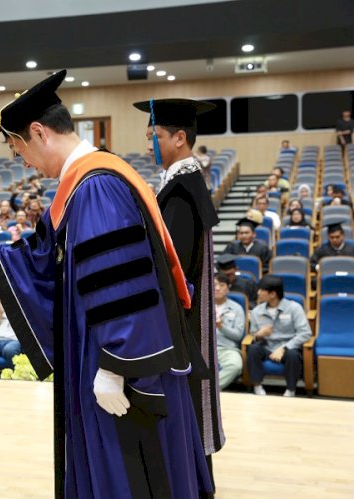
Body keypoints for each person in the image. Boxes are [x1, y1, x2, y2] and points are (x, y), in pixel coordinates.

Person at [0, 70, 212, 498]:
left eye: (17, 150)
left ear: (38, 132)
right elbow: (43, 255)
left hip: (118, 362)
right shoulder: (83, 184)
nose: (23, 162)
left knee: (131, 475)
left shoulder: (97, 186)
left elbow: (122, 281)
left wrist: (116, 366)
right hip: (101, 353)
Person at [133, 97, 225, 474]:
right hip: (183, 313)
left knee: (186, 400)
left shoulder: (182, 190)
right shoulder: (183, 183)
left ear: (179, 138)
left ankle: (193, 482)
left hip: (181, 318)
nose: (149, 144)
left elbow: (173, 267)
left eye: (154, 135)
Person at [247, 275, 311, 397]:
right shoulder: (257, 311)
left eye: (261, 290)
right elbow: (253, 334)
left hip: (288, 346)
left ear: (272, 294)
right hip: (267, 346)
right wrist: (259, 335)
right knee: (253, 349)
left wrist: (284, 348)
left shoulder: (294, 308)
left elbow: (305, 333)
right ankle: (257, 386)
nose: (258, 293)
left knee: (293, 355)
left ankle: (290, 390)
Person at [214, 274, 245, 390]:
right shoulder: (202, 306)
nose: (217, 288)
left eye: (221, 285)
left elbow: (238, 335)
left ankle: (212, 390)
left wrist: (221, 327)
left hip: (227, 348)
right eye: (214, 285)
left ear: (228, 288)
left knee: (235, 365)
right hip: (203, 347)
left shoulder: (237, 308)